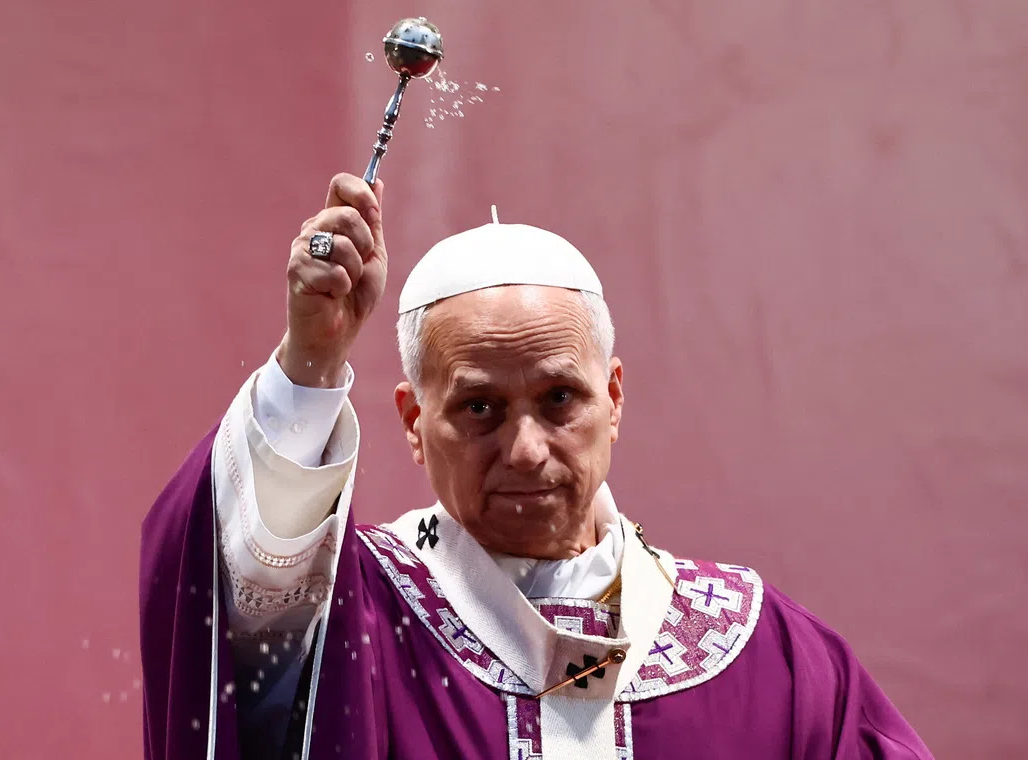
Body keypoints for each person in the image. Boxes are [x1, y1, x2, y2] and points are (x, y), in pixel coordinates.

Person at [140, 173, 934, 760]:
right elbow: (229, 582)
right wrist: (310, 359)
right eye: (480, 408)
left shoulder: (770, 658)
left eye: (560, 399)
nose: (526, 450)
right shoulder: (354, 614)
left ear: (614, 397)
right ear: (415, 423)